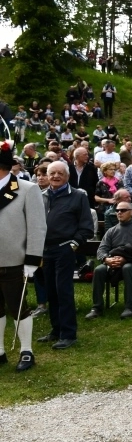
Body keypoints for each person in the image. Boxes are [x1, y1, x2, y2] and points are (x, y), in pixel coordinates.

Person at [0, 138, 47, 371]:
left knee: (18, 307)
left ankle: (26, 351)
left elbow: (38, 226)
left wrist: (32, 259)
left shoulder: (27, 189)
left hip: (14, 260)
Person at [38, 161, 94, 350]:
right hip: (45, 251)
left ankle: (68, 334)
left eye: (60, 173)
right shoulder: (41, 196)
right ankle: (56, 329)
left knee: (63, 291)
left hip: (65, 249)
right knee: (50, 291)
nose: (55, 176)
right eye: (52, 173)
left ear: (67, 176)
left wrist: (73, 245)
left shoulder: (78, 196)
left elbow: (87, 227)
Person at [85, 202, 132, 320]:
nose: (119, 212)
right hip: (112, 263)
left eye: (123, 210)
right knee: (99, 270)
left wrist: (125, 259)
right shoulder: (111, 231)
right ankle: (96, 308)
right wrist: (106, 259)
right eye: (117, 210)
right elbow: (101, 249)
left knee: (127, 268)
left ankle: (129, 307)